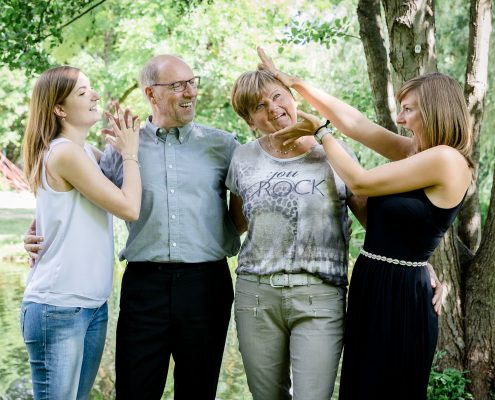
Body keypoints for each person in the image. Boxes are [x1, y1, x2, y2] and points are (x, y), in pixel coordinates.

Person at [257, 47, 472, 400]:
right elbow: (357, 124)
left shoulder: (446, 160)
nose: (400, 120)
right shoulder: (415, 152)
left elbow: (360, 182)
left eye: (408, 110)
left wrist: (322, 133)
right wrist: (296, 83)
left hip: (403, 296)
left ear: (434, 110)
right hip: (371, 283)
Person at [226, 69, 366, 399]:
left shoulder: (331, 151)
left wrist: (422, 263)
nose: (272, 108)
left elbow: (377, 221)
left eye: (277, 96)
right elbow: (238, 222)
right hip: (256, 297)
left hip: (320, 295)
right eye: (259, 106)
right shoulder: (243, 158)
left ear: (292, 98)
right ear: (250, 120)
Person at [21, 66, 141, 400]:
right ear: (59, 108)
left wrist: (122, 144)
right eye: (82, 92)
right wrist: (130, 151)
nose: (96, 96)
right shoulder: (64, 153)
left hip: (92, 305)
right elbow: (129, 207)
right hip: (58, 308)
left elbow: (59, 216)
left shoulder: (87, 153)